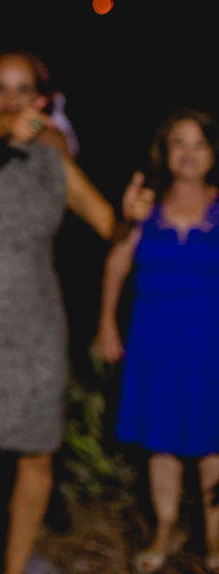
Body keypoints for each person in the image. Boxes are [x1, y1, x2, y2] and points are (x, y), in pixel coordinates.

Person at [0, 52, 118, 574]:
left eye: (22, 90)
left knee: (37, 453)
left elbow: (109, 225)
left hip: (36, 319)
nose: (10, 100)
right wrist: (0, 126)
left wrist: (139, 217)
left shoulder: (56, 160)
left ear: (41, 98)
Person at [93, 109, 219, 574]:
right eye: (178, 144)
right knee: (161, 442)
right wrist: (107, 322)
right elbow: (117, 263)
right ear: (165, 154)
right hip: (156, 339)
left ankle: (214, 537)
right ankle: (165, 529)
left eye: (198, 143)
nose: (188, 153)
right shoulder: (146, 207)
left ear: (212, 152)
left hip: (211, 342)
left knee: (213, 444)